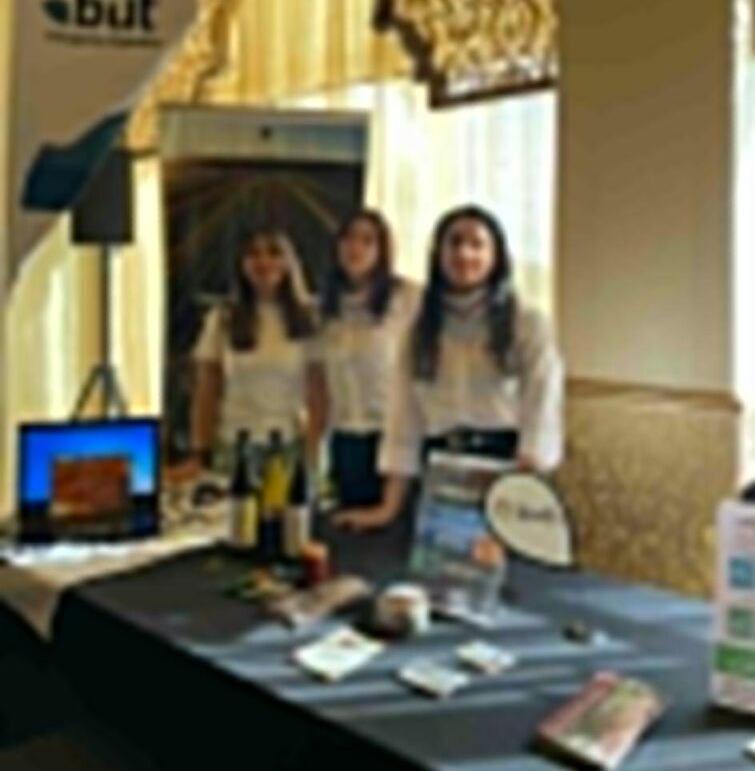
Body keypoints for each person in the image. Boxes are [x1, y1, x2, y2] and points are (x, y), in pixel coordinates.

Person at [335, 204, 564, 530]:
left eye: (477, 244)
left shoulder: (527, 323)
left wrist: (523, 490)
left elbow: (541, 405)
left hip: (507, 470)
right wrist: (387, 509)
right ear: (438, 255)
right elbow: (404, 419)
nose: (464, 254)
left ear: (496, 256)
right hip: (439, 474)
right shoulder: (419, 329)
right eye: (454, 243)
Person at [308, 209, 420, 509]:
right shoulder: (325, 308)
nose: (355, 248)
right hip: (345, 439)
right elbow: (319, 386)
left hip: (393, 435)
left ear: (382, 250)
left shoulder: (408, 298)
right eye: (348, 239)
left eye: (368, 241)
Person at [184, 226, 316, 473]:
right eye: (254, 254)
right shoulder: (222, 319)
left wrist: (314, 450)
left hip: (289, 445)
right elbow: (207, 391)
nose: (263, 262)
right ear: (242, 265)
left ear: (289, 262)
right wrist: (200, 450)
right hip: (235, 444)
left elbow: (318, 391)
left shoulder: (310, 319)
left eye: (274, 253)